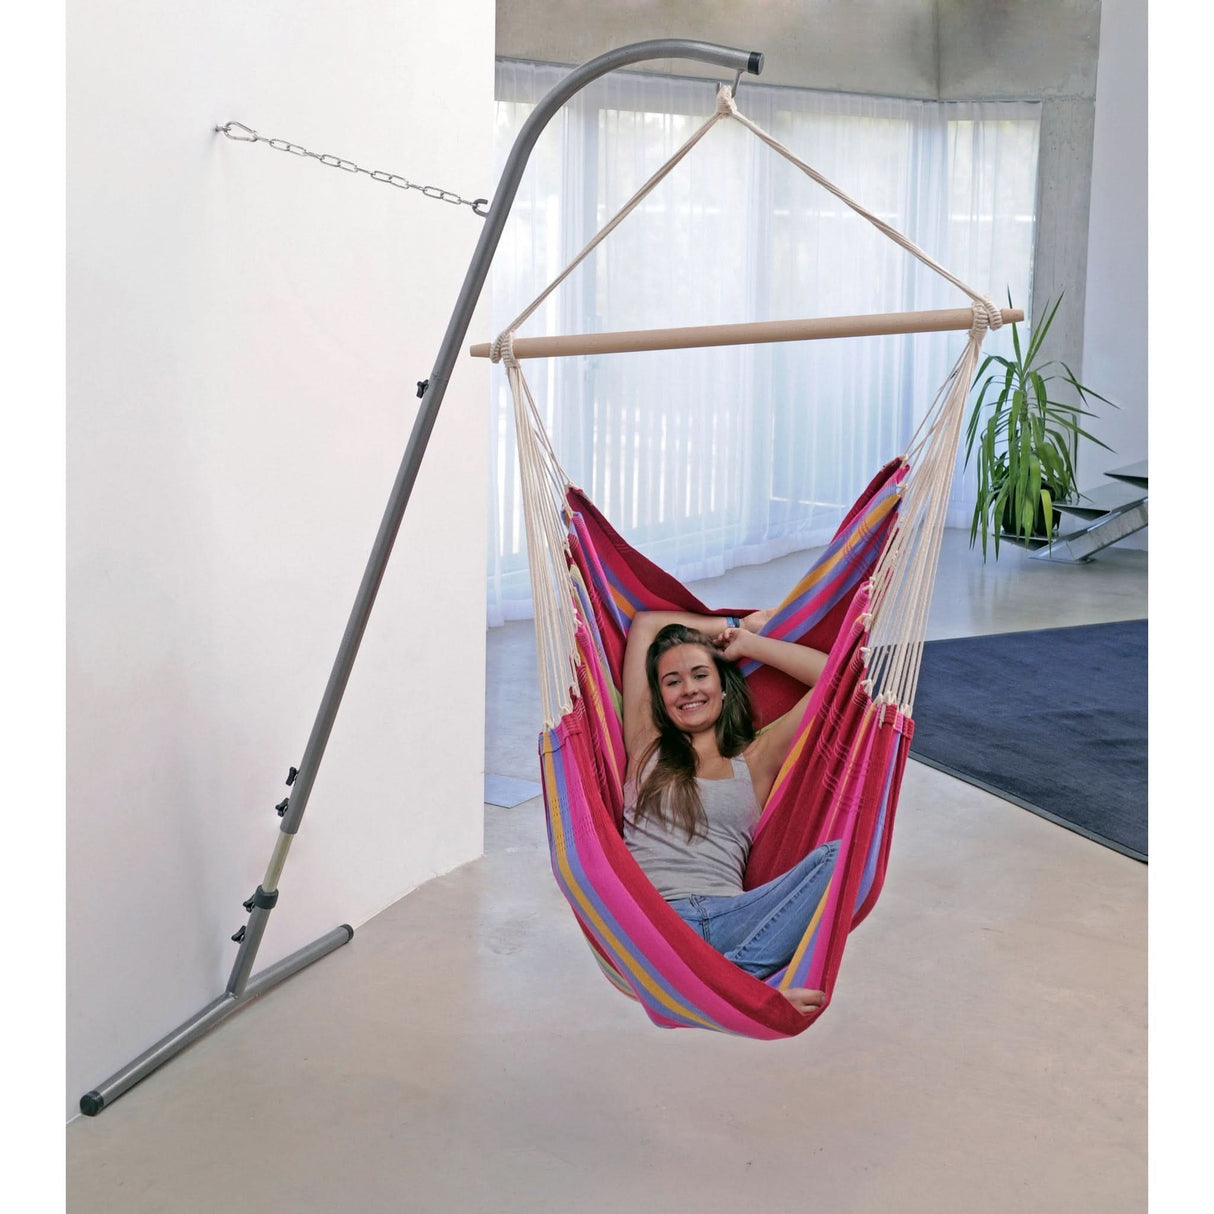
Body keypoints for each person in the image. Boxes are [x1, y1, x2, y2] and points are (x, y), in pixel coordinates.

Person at [622, 608, 840, 1016]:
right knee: (672, 945)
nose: (688, 689)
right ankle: (742, 993)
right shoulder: (645, 744)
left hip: (737, 920)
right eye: (673, 681)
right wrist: (732, 626)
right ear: (661, 699)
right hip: (660, 926)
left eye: (700, 675)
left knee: (843, 856)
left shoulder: (756, 760)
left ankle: (730, 987)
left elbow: (836, 677)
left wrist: (749, 644)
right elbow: (646, 625)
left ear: (722, 687)